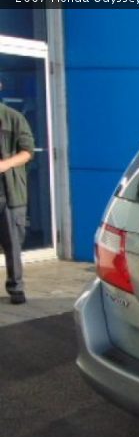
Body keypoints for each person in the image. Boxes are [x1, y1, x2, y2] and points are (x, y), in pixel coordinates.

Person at [0, 87, 35, 305]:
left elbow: (27, 151)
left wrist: (3, 165)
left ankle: (16, 288)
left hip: (9, 195)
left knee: (12, 245)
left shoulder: (13, 117)